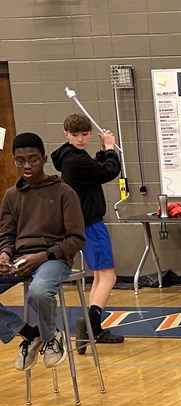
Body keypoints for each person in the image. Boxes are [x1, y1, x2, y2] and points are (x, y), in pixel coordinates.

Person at [1, 133, 86, 370]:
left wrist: (44, 255)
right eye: (20, 160)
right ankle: (29, 334)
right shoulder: (11, 195)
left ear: (44, 159)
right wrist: (5, 254)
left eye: (33, 159)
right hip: (20, 260)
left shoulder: (64, 192)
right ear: (14, 160)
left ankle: (52, 338)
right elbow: (6, 236)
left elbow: (77, 239)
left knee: (38, 292)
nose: (27, 165)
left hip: (54, 258)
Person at [51, 113, 125, 347]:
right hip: (89, 223)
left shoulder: (69, 156)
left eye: (85, 134)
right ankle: (91, 326)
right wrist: (111, 149)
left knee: (100, 276)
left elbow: (95, 167)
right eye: (76, 135)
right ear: (66, 134)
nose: (81, 139)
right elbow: (108, 171)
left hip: (82, 222)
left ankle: (92, 325)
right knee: (109, 276)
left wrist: (103, 150)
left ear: (90, 134)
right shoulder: (75, 161)